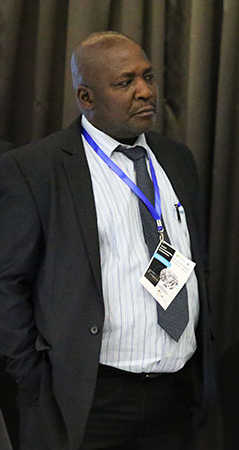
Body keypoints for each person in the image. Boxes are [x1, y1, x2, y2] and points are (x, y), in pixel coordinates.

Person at [0, 31, 214, 450]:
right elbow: (7, 286)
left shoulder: (176, 159)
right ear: (86, 97)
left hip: (176, 393)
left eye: (148, 77)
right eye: (125, 82)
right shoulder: (34, 169)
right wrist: (33, 379)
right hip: (87, 398)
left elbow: (187, 259)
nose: (145, 92)